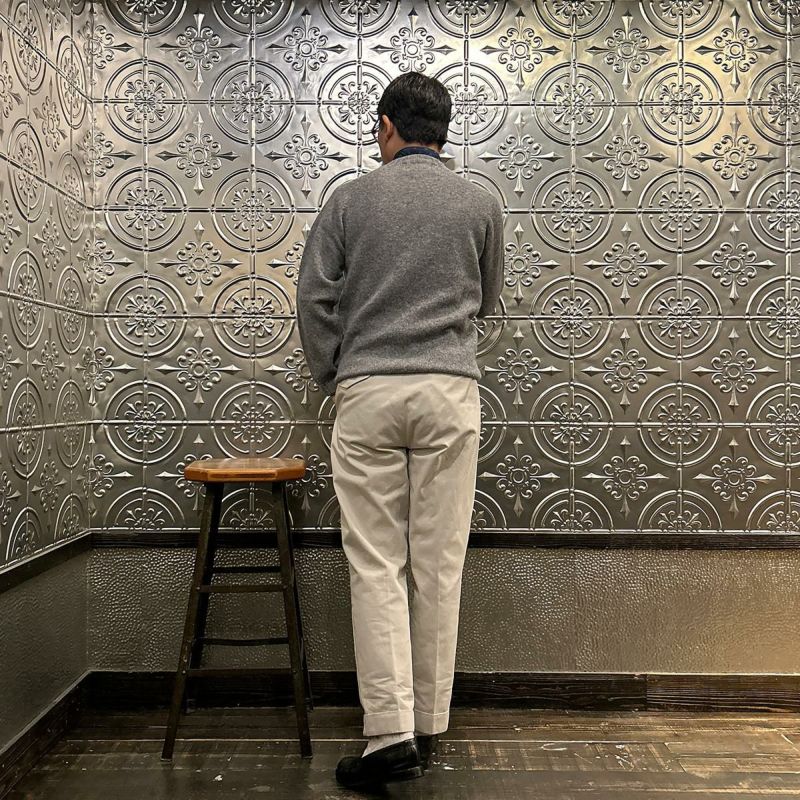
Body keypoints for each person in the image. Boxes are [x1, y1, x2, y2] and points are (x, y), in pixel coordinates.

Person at [296, 71, 504, 790]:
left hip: (369, 390)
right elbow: (487, 298)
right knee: (439, 562)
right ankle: (429, 722)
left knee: (376, 563)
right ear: (443, 132)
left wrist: (335, 372)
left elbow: (314, 297)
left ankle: (388, 733)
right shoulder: (480, 202)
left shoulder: (348, 199)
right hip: (449, 389)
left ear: (386, 126)